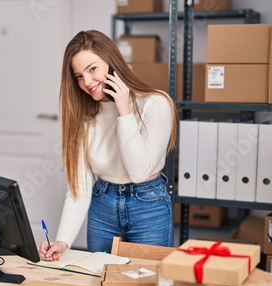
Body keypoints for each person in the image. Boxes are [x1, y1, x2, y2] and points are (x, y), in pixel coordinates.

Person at [39, 30, 179, 261]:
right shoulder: (85, 116)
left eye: (92, 69)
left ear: (112, 63)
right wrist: (62, 241)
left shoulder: (156, 104)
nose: (87, 82)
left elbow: (139, 172)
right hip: (103, 205)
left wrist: (123, 111)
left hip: (148, 206)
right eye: (78, 76)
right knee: (100, 285)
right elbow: (79, 190)